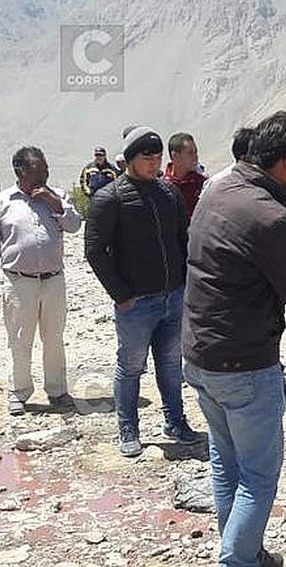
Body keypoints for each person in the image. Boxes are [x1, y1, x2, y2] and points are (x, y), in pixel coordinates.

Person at [183, 111, 286, 567]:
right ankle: (236, 560)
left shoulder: (215, 188)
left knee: (227, 462)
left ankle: (245, 550)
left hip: (200, 355)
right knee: (259, 474)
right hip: (244, 363)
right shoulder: (271, 216)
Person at [85, 126, 201, 457]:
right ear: (130, 160)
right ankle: (128, 427)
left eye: (157, 157)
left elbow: (182, 241)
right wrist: (121, 294)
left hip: (172, 296)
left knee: (170, 364)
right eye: (146, 157)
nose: (153, 163)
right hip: (135, 304)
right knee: (131, 366)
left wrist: (185, 283)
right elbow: (95, 251)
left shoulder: (169, 195)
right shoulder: (110, 198)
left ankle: (175, 422)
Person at [0, 147, 82, 416]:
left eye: (46, 169)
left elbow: (74, 225)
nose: (44, 175)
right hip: (18, 281)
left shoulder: (57, 196)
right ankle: (19, 392)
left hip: (53, 280)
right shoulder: (1, 203)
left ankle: (57, 390)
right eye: (38, 170)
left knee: (54, 337)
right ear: (20, 172)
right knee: (20, 339)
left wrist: (55, 204)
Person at [164, 132, 207, 222]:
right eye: (190, 153)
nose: (195, 157)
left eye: (196, 152)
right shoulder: (162, 187)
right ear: (175, 156)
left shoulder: (203, 183)